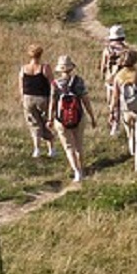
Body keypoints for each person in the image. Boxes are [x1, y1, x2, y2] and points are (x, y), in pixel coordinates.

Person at [50, 54, 96, 182]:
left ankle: (77, 172)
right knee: (79, 145)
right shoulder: (78, 81)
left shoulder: (55, 84)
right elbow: (86, 100)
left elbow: (52, 103)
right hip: (79, 116)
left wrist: (50, 118)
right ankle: (82, 169)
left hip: (61, 119)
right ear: (71, 68)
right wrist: (92, 116)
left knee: (69, 146)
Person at [109, 49, 137, 174]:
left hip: (126, 111)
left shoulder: (118, 76)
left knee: (130, 134)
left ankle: (133, 152)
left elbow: (115, 97)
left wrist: (112, 112)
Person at [18, 43, 55, 157]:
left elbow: (21, 85)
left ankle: (37, 149)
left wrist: (22, 98)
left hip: (28, 98)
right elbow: (52, 84)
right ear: (40, 54)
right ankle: (51, 149)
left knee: (34, 124)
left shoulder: (24, 68)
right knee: (46, 122)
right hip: (43, 98)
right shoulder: (44, 67)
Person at [100, 24, 129, 128]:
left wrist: (103, 75)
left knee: (112, 102)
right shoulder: (126, 50)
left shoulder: (107, 50)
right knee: (124, 102)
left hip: (111, 80)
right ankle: (126, 122)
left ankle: (114, 123)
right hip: (124, 79)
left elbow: (103, 66)